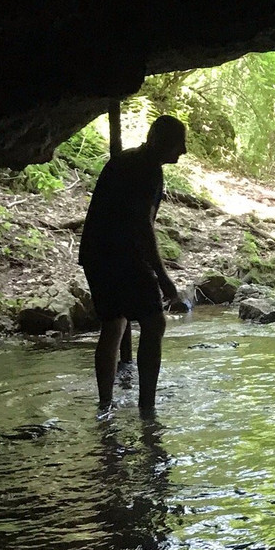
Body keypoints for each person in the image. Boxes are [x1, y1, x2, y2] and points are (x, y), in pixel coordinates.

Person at [79, 115, 188, 416]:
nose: (184, 151)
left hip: (94, 254)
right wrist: (164, 279)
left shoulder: (125, 160)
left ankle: (105, 404)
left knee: (113, 325)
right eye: (180, 143)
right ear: (161, 142)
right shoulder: (149, 170)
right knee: (155, 323)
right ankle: (147, 408)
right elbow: (143, 226)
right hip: (121, 255)